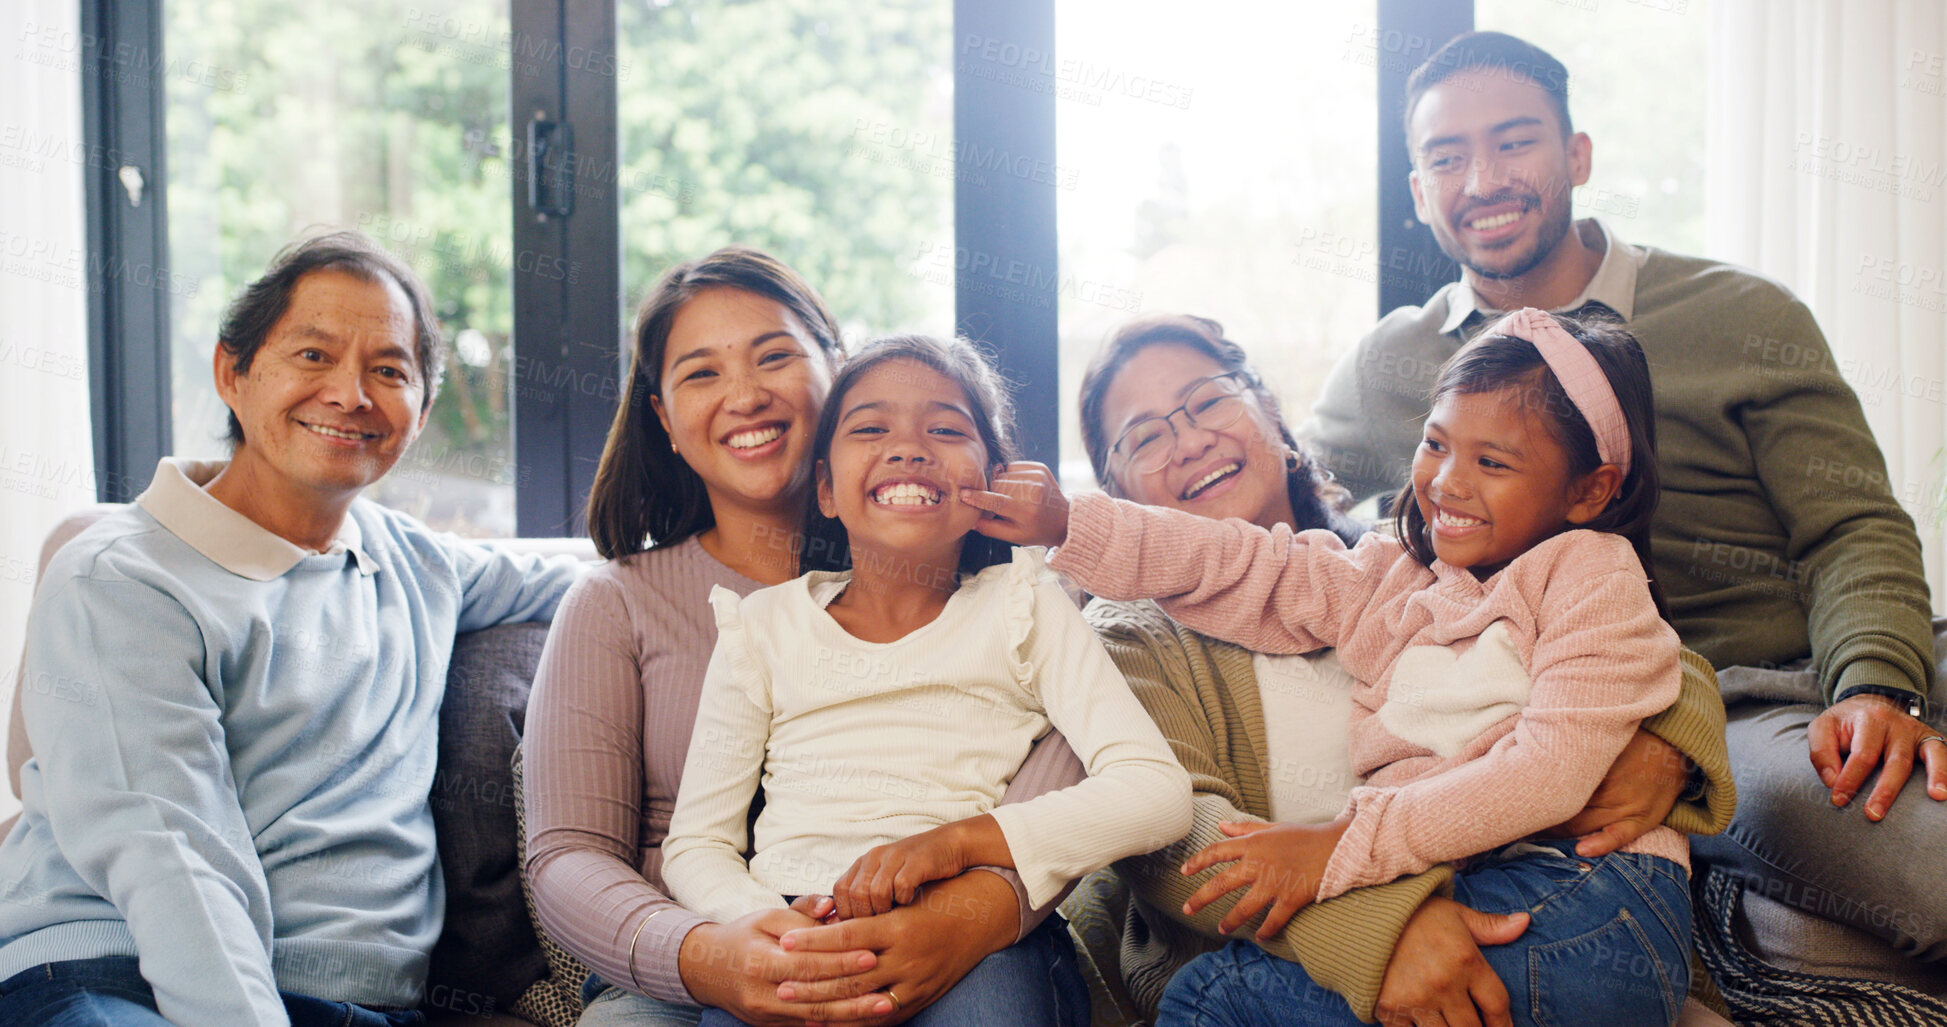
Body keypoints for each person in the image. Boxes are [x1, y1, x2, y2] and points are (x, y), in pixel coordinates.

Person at [1302, 31, 1945, 965]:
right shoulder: (1396, 367)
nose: (1481, 179)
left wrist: (1879, 685)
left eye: (1514, 141)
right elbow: (1279, 500)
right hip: (1724, 710)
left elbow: (1850, 526)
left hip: (1848, 660)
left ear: (1577, 156)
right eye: (1446, 157)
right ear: (1416, 192)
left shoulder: (1740, 315)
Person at [967, 312, 1732, 1027]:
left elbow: (1632, 661)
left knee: (1215, 1005)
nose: (1189, 440)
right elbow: (1173, 839)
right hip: (1422, 914)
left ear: (1271, 411)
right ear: (1117, 487)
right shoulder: (1150, 635)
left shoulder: (1457, 556)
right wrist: (1073, 523)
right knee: (1211, 996)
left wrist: (1667, 738)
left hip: (1568, 894)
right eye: (1143, 437)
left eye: (1204, 402)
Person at [0, 231, 583, 1027]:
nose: (350, 393)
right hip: (119, 975)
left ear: (421, 411)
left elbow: (600, 572)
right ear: (231, 373)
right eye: (312, 356)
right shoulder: (122, 578)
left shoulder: (416, 564)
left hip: (359, 1006)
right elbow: (171, 859)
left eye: (389, 369)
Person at [523, 249, 1095, 1027]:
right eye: (700, 374)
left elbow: (1058, 798)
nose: (745, 395)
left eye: (775, 356)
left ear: (837, 368)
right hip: (684, 961)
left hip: (955, 937)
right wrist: (706, 954)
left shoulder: (1005, 599)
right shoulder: (615, 603)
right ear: (664, 418)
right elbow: (567, 857)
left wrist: (958, 920)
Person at [658, 333, 1190, 1027]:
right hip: (793, 923)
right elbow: (696, 843)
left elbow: (1155, 793)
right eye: (870, 428)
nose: (908, 447)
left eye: (943, 428)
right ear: (824, 486)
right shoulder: (761, 626)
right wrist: (769, 927)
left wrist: (958, 841)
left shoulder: (1025, 604)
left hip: (971, 934)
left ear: (992, 481)